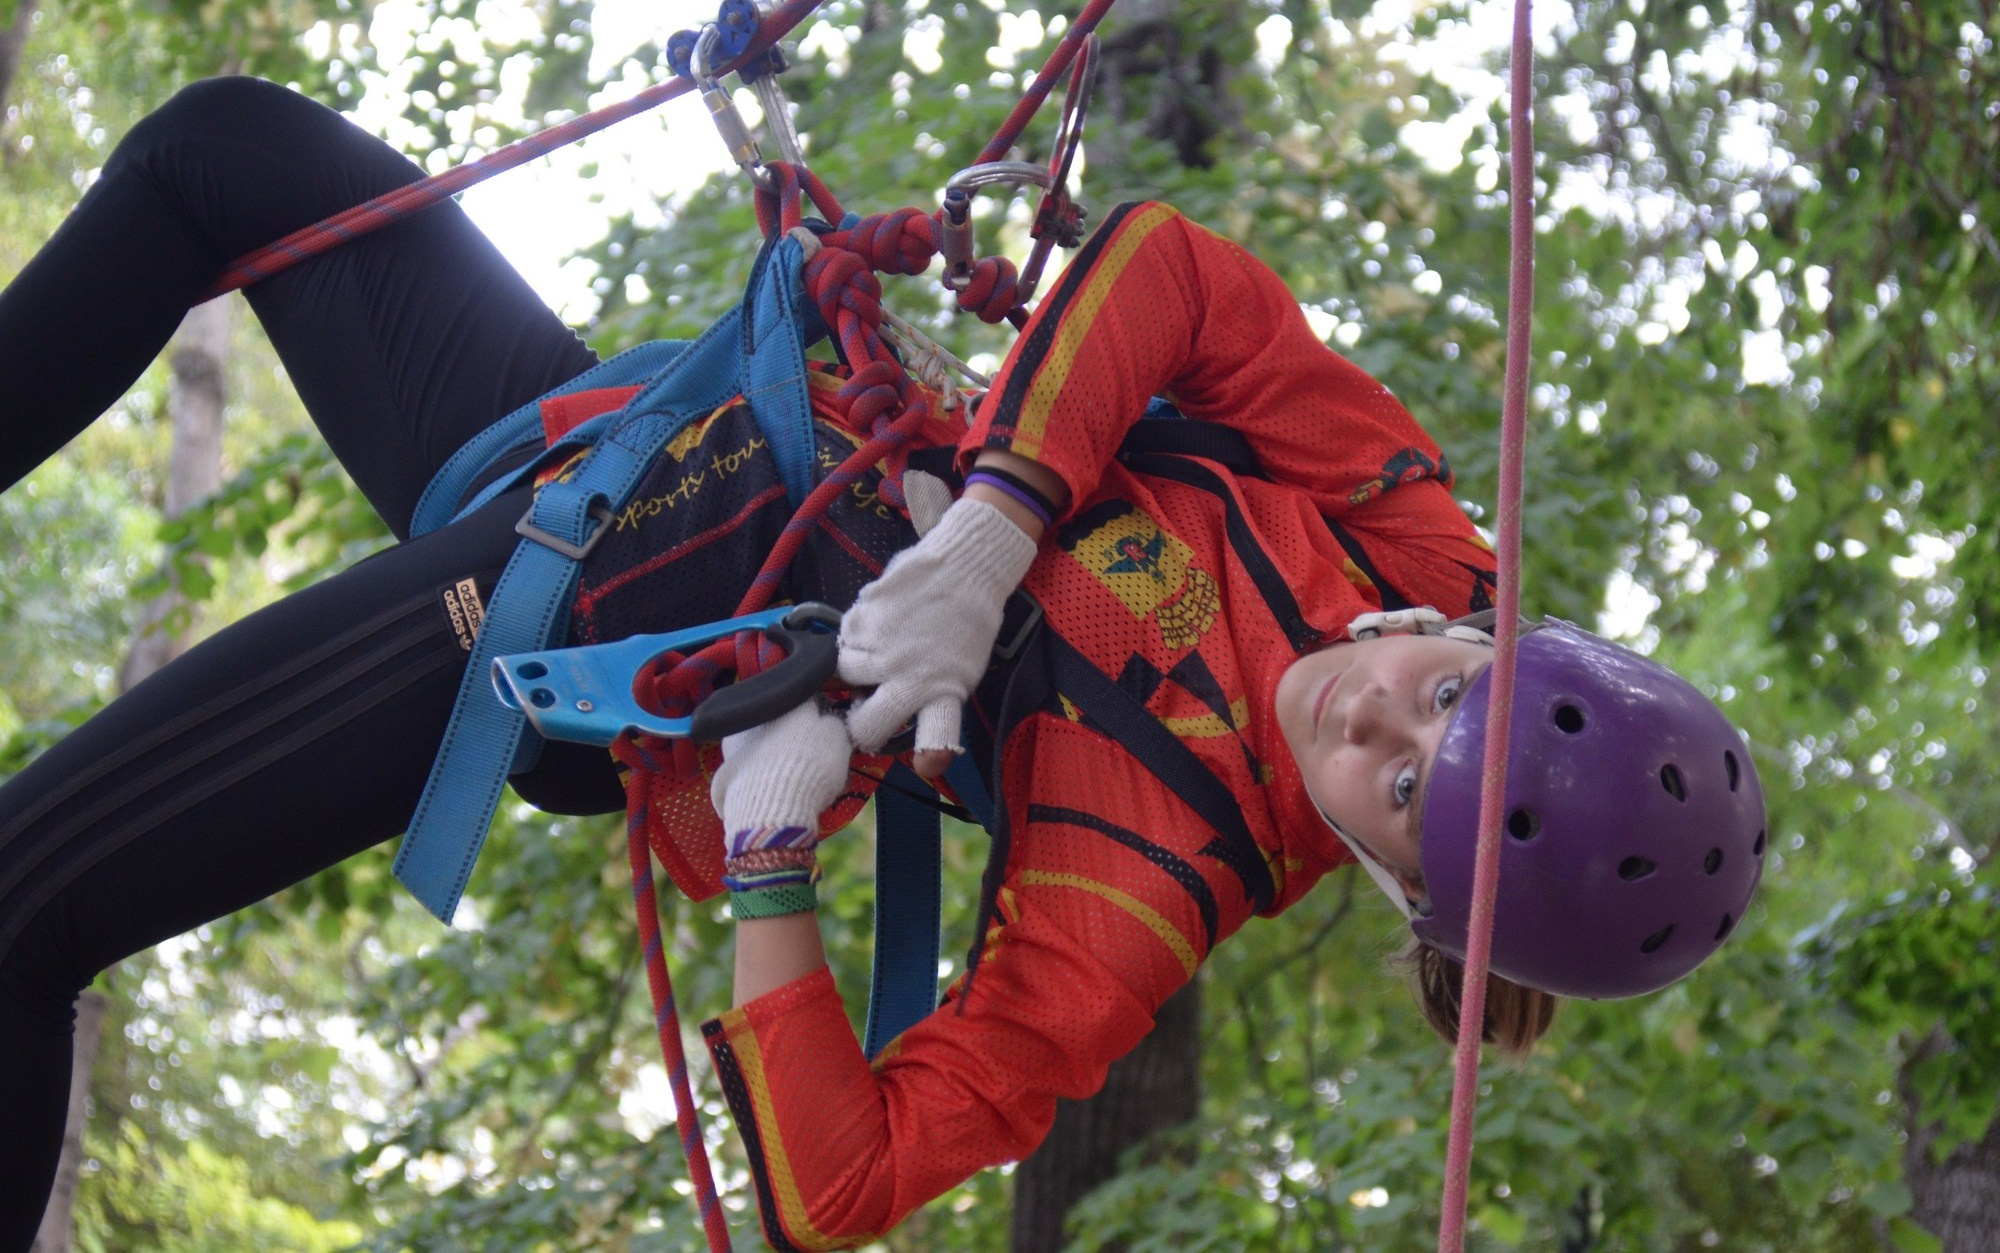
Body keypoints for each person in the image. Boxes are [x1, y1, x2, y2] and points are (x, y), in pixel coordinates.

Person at [0, 76, 1765, 1252]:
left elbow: (838, 1185)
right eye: (1446, 689)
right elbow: (1178, 275)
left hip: (602, 631)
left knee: (20, 903)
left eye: (1396, 785)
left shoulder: (1145, 885)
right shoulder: (1403, 530)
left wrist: (769, 855)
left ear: (1391, 881)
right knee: (220, 158)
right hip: (653, 426)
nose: (1372, 703)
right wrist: (998, 523)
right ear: (1494, 625)